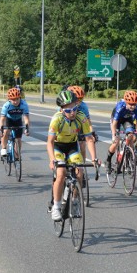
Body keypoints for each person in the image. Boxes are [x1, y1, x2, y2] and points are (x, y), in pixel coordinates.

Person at [47, 90, 99, 221]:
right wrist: (52, 159)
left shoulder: (81, 117)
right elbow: (50, 142)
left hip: (71, 146)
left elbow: (89, 139)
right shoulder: (56, 119)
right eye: (68, 110)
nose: (72, 113)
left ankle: (75, 201)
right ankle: (56, 207)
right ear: (62, 109)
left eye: (74, 109)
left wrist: (94, 158)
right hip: (58, 147)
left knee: (79, 172)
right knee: (61, 173)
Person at [105, 90, 137, 169]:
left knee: (131, 135)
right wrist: (113, 135)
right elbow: (114, 124)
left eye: (134, 104)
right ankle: (108, 159)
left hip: (127, 119)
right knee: (116, 141)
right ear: (126, 102)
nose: (132, 106)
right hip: (116, 120)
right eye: (130, 104)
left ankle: (129, 155)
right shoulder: (120, 107)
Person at [67, 85, 97, 162]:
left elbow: (88, 122)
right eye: (77, 99)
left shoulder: (84, 106)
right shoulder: (65, 105)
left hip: (79, 125)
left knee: (82, 144)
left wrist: (92, 133)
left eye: (81, 99)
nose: (79, 102)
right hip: (66, 125)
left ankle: (82, 165)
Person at [0, 87, 30, 159]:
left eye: (17, 99)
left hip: (18, 120)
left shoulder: (24, 104)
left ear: (20, 98)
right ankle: (3, 148)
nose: (15, 101)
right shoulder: (6, 105)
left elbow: (26, 118)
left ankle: (17, 154)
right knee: (6, 132)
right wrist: (1, 130)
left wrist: (27, 129)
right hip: (9, 119)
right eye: (13, 100)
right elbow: (2, 119)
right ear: (9, 99)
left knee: (18, 138)